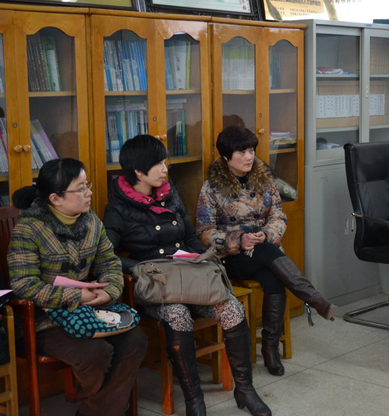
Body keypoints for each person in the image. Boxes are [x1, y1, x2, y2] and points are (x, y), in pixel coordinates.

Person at [103, 135, 270, 416]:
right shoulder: (118, 208)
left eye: (165, 161)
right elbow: (107, 255)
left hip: (190, 276)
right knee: (177, 313)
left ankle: (245, 389)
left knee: (232, 308)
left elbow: (191, 236)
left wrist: (202, 258)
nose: (165, 168)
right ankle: (194, 400)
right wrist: (141, 268)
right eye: (158, 164)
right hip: (158, 287)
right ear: (138, 171)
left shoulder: (170, 194)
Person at [8, 158, 148, 416]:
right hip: (44, 320)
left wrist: (108, 291)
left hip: (90, 311)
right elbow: (24, 284)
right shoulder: (29, 229)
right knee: (95, 353)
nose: (89, 193)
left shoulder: (91, 221)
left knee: (135, 341)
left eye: (88, 185)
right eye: (81, 188)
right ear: (55, 198)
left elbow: (110, 263)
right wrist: (75, 296)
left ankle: (92, 411)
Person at [196, 126, 338, 378]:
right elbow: (204, 231)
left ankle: (270, 348)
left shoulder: (265, 180)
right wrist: (238, 240)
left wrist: (267, 234)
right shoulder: (211, 188)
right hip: (231, 257)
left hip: (264, 251)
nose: (249, 156)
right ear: (226, 157)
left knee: (273, 277)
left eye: (251, 150)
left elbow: (278, 216)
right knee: (268, 257)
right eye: (242, 152)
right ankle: (313, 299)